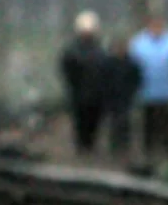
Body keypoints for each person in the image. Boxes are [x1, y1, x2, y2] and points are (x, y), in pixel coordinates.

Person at [129, 14, 168, 163]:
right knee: (148, 123)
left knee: (167, 123)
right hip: (146, 92)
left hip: (167, 92)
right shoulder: (139, 43)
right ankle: (148, 151)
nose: (157, 28)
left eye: (159, 25)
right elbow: (132, 67)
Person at [59, 11, 107, 154]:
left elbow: (105, 69)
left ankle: (90, 145)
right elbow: (67, 70)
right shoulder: (72, 50)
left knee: (94, 120)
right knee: (80, 120)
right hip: (78, 92)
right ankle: (81, 146)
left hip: (96, 93)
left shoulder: (99, 49)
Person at [102, 36, 142, 158]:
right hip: (112, 98)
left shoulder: (131, 63)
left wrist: (132, 92)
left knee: (125, 121)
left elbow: (137, 79)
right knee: (114, 122)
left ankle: (124, 145)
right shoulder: (109, 63)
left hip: (126, 97)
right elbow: (103, 79)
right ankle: (114, 145)